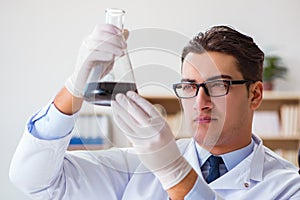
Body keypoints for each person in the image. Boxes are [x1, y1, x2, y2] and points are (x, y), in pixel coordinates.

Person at [9, 24, 300, 200]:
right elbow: (33, 179)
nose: (201, 101)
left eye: (218, 85)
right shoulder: (137, 164)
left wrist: (174, 171)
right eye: (189, 86)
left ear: (256, 94)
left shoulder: (287, 186)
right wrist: (73, 88)